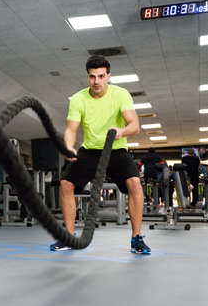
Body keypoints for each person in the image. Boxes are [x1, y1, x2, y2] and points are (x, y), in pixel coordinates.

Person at [49, 55, 150, 254]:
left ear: (108, 76)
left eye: (101, 76)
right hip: (90, 151)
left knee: (135, 184)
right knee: (66, 183)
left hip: (116, 149)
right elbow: (71, 130)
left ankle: (136, 238)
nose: (97, 81)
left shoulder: (121, 94)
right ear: (87, 77)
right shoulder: (78, 98)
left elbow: (135, 126)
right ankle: (69, 236)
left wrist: (121, 131)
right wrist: (69, 147)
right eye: (92, 77)